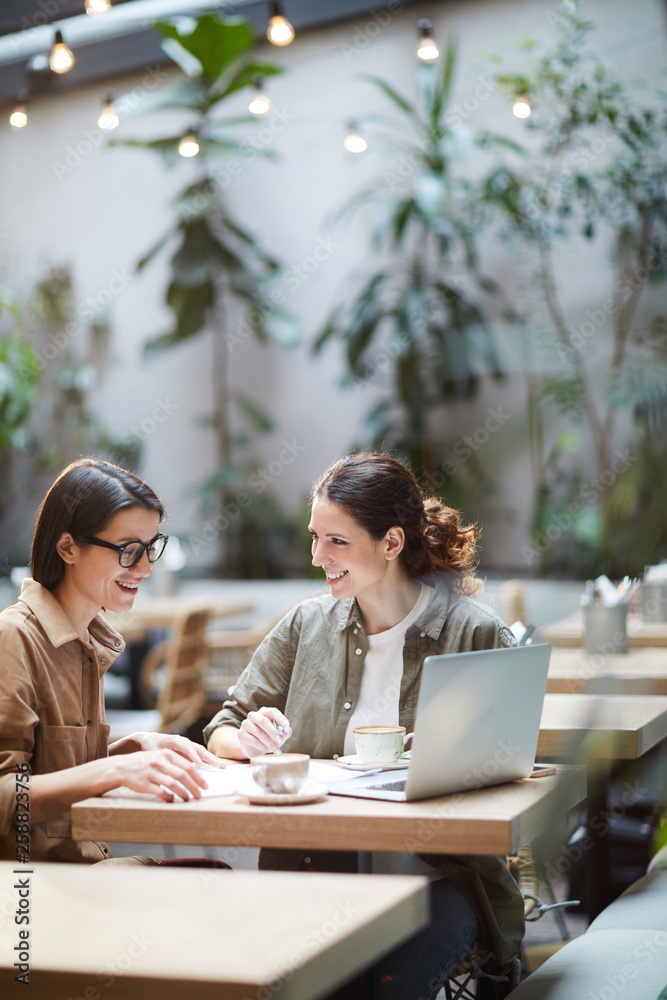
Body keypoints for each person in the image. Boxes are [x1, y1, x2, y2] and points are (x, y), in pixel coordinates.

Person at [204, 452, 524, 1000]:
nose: (316, 557)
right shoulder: (306, 625)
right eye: (314, 537)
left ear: (392, 543)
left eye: (337, 542)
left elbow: (509, 774)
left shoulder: (475, 632)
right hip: (316, 877)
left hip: (439, 880)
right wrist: (247, 742)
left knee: (386, 992)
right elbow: (221, 728)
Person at [0, 458, 224, 865]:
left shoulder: (89, 642)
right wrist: (114, 772)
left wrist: (127, 751)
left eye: (152, 547)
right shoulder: (14, 639)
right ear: (68, 547)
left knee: (215, 875)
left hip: (90, 865)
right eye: (128, 551)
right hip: (35, 891)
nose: (145, 567)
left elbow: (54, 768)